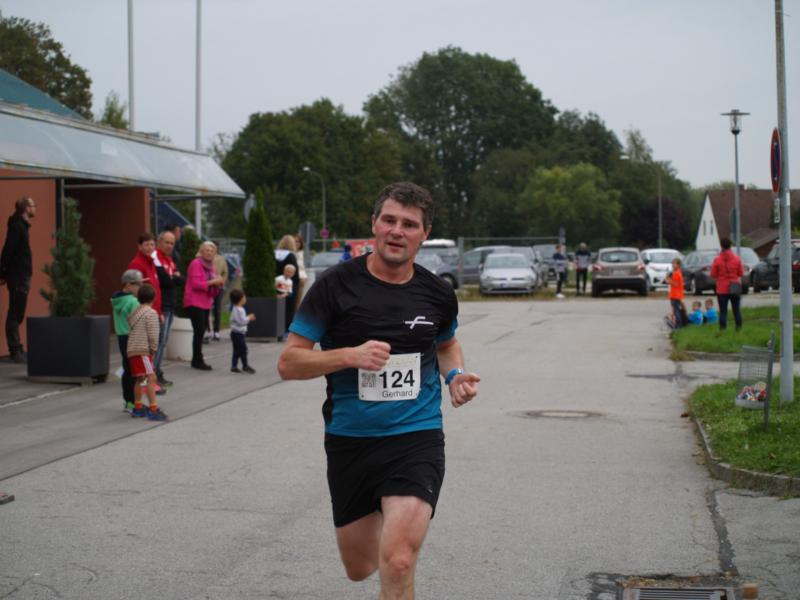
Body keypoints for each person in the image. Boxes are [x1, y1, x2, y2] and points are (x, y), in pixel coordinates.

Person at [278, 181, 480, 599]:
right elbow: (289, 362)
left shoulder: (437, 293)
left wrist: (455, 375)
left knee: (400, 559)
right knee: (361, 566)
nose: (397, 231)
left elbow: (446, 345)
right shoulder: (335, 286)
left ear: (424, 233)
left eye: (409, 224)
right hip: (351, 440)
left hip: (416, 436)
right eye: (389, 220)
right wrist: (348, 356)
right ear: (374, 224)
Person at [0, 196, 35, 362]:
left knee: (18, 312)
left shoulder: (22, 226)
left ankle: (17, 348)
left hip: (21, 275)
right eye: (33, 205)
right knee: (15, 313)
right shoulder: (17, 227)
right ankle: (14, 350)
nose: (35, 208)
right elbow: (7, 250)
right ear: (26, 208)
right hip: (18, 277)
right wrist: (2, 273)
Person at [126, 283, 167, 421]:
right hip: (143, 350)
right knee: (152, 378)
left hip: (132, 350)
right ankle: (153, 409)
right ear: (154, 298)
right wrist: (153, 349)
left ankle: (138, 407)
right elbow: (153, 334)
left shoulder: (136, 313)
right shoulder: (151, 313)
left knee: (140, 379)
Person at [184, 241, 226, 370]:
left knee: (201, 331)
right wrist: (213, 282)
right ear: (201, 251)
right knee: (199, 330)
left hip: (205, 302)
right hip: (194, 301)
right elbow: (196, 284)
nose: (209, 253)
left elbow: (212, 284)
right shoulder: (196, 263)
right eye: (207, 250)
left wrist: (219, 283)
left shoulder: (211, 265)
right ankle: (198, 360)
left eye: (212, 251)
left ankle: (197, 359)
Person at [153, 231, 184, 387]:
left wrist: (174, 278)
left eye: (172, 243)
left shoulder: (170, 260)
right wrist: (173, 278)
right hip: (161, 305)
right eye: (167, 242)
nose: (170, 246)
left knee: (163, 341)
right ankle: (153, 374)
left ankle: (156, 372)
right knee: (159, 341)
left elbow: (181, 280)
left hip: (170, 305)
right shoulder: (156, 257)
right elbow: (165, 281)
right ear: (159, 242)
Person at [111, 269, 141, 412]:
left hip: (122, 336)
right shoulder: (133, 302)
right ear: (129, 285)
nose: (140, 287)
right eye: (138, 284)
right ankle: (133, 402)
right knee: (134, 371)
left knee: (127, 368)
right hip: (133, 336)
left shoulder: (117, 300)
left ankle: (129, 401)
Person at [710, 237, 744, 331]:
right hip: (734, 287)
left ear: (721, 246)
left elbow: (713, 274)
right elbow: (741, 273)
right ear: (730, 246)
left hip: (722, 289)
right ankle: (738, 329)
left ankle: (723, 330)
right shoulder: (737, 259)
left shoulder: (717, 260)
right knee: (736, 310)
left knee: (723, 312)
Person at [127, 233, 162, 316]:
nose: (150, 247)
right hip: (144, 313)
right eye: (146, 244)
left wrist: (159, 312)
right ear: (139, 247)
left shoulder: (151, 263)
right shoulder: (136, 264)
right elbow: (134, 291)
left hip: (154, 311)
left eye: (152, 244)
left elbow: (155, 289)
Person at [275, 235, 300, 329]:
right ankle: (286, 329)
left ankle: (277, 327)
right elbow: (295, 275)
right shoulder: (291, 256)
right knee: (288, 309)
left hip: (276, 284)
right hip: (288, 286)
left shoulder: (274, 254)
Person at [228, 288, 255, 374]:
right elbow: (241, 322)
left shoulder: (236, 309)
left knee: (237, 350)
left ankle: (234, 366)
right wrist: (249, 318)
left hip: (237, 333)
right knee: (243, 349)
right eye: (244, 297)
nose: (245, 298)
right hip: (238, 333)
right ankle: (245, 366)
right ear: (241, 299)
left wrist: (247, 318)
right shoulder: (239, 310)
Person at [206, 246, 229, 342]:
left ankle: (216, 331)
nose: (211, 251)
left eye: (213, 249)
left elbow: (225, 272)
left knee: (217, 309)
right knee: (206, 309)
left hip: (218, 287)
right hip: (207, 286)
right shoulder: (204, 259)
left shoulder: (221, 259)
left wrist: (221, 281)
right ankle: (208, 330)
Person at [665, 258, 686, 329]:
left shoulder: (676, 273)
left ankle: (678, 326)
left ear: (678, 265)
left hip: (675, 295)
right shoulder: (677, 272)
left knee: (676, 312)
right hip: (676, 295)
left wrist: (668, 279)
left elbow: (676, 284)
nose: (673, 265)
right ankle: (678, 325)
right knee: (676, 311)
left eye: (675, 263)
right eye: (672, 263)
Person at [293, 233, 309, 306]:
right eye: (295, 241)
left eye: (298, 242)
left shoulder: (301, 253)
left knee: (298, 300)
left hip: (300, 278)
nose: (296, 243)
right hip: (290, 278)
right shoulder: (290, 253)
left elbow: (301, 267)